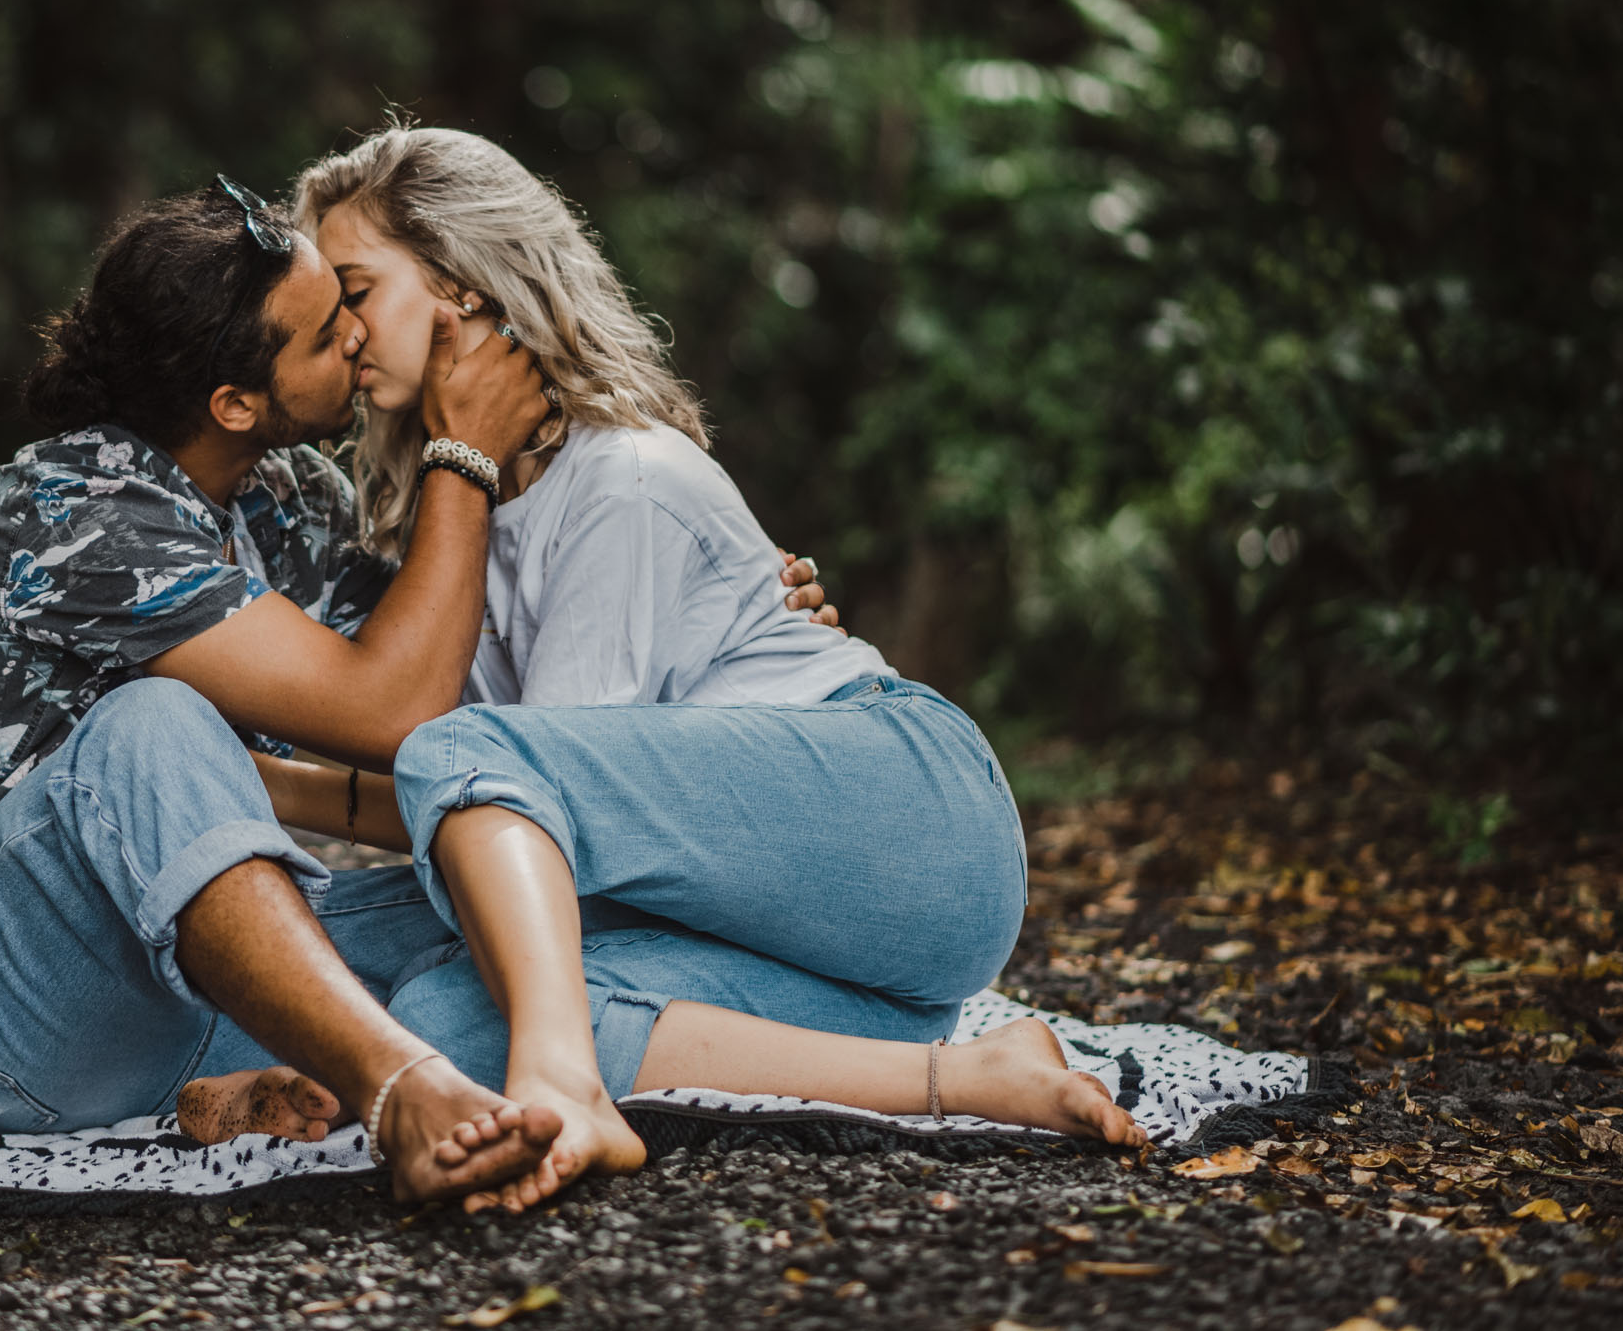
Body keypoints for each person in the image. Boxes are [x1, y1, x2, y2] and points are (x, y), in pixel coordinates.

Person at [0, 177, 833, 1203]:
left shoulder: (283, 494)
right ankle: (399, 1085)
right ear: (235, 401)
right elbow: (387, 709)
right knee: (150, 723)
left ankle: (219, 1092)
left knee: (508, 907)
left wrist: (714, 606)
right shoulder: (77, 506)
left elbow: (470, 716)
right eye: (324, 331)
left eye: (349, 300)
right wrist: (462, 452)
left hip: (169, 1000)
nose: (356, 336)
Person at [294, 123, 1145, 1212]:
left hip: (909, 821)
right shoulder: (469, 527)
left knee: (492, 873)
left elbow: (523, 796)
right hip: (824, 940)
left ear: (459, 285)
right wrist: (256, 787)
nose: (340, 330)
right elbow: (475, 803)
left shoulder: (621, 481)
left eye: (356, 289)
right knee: (452, 1020)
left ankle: (569, 1076)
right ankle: (966, 1071)